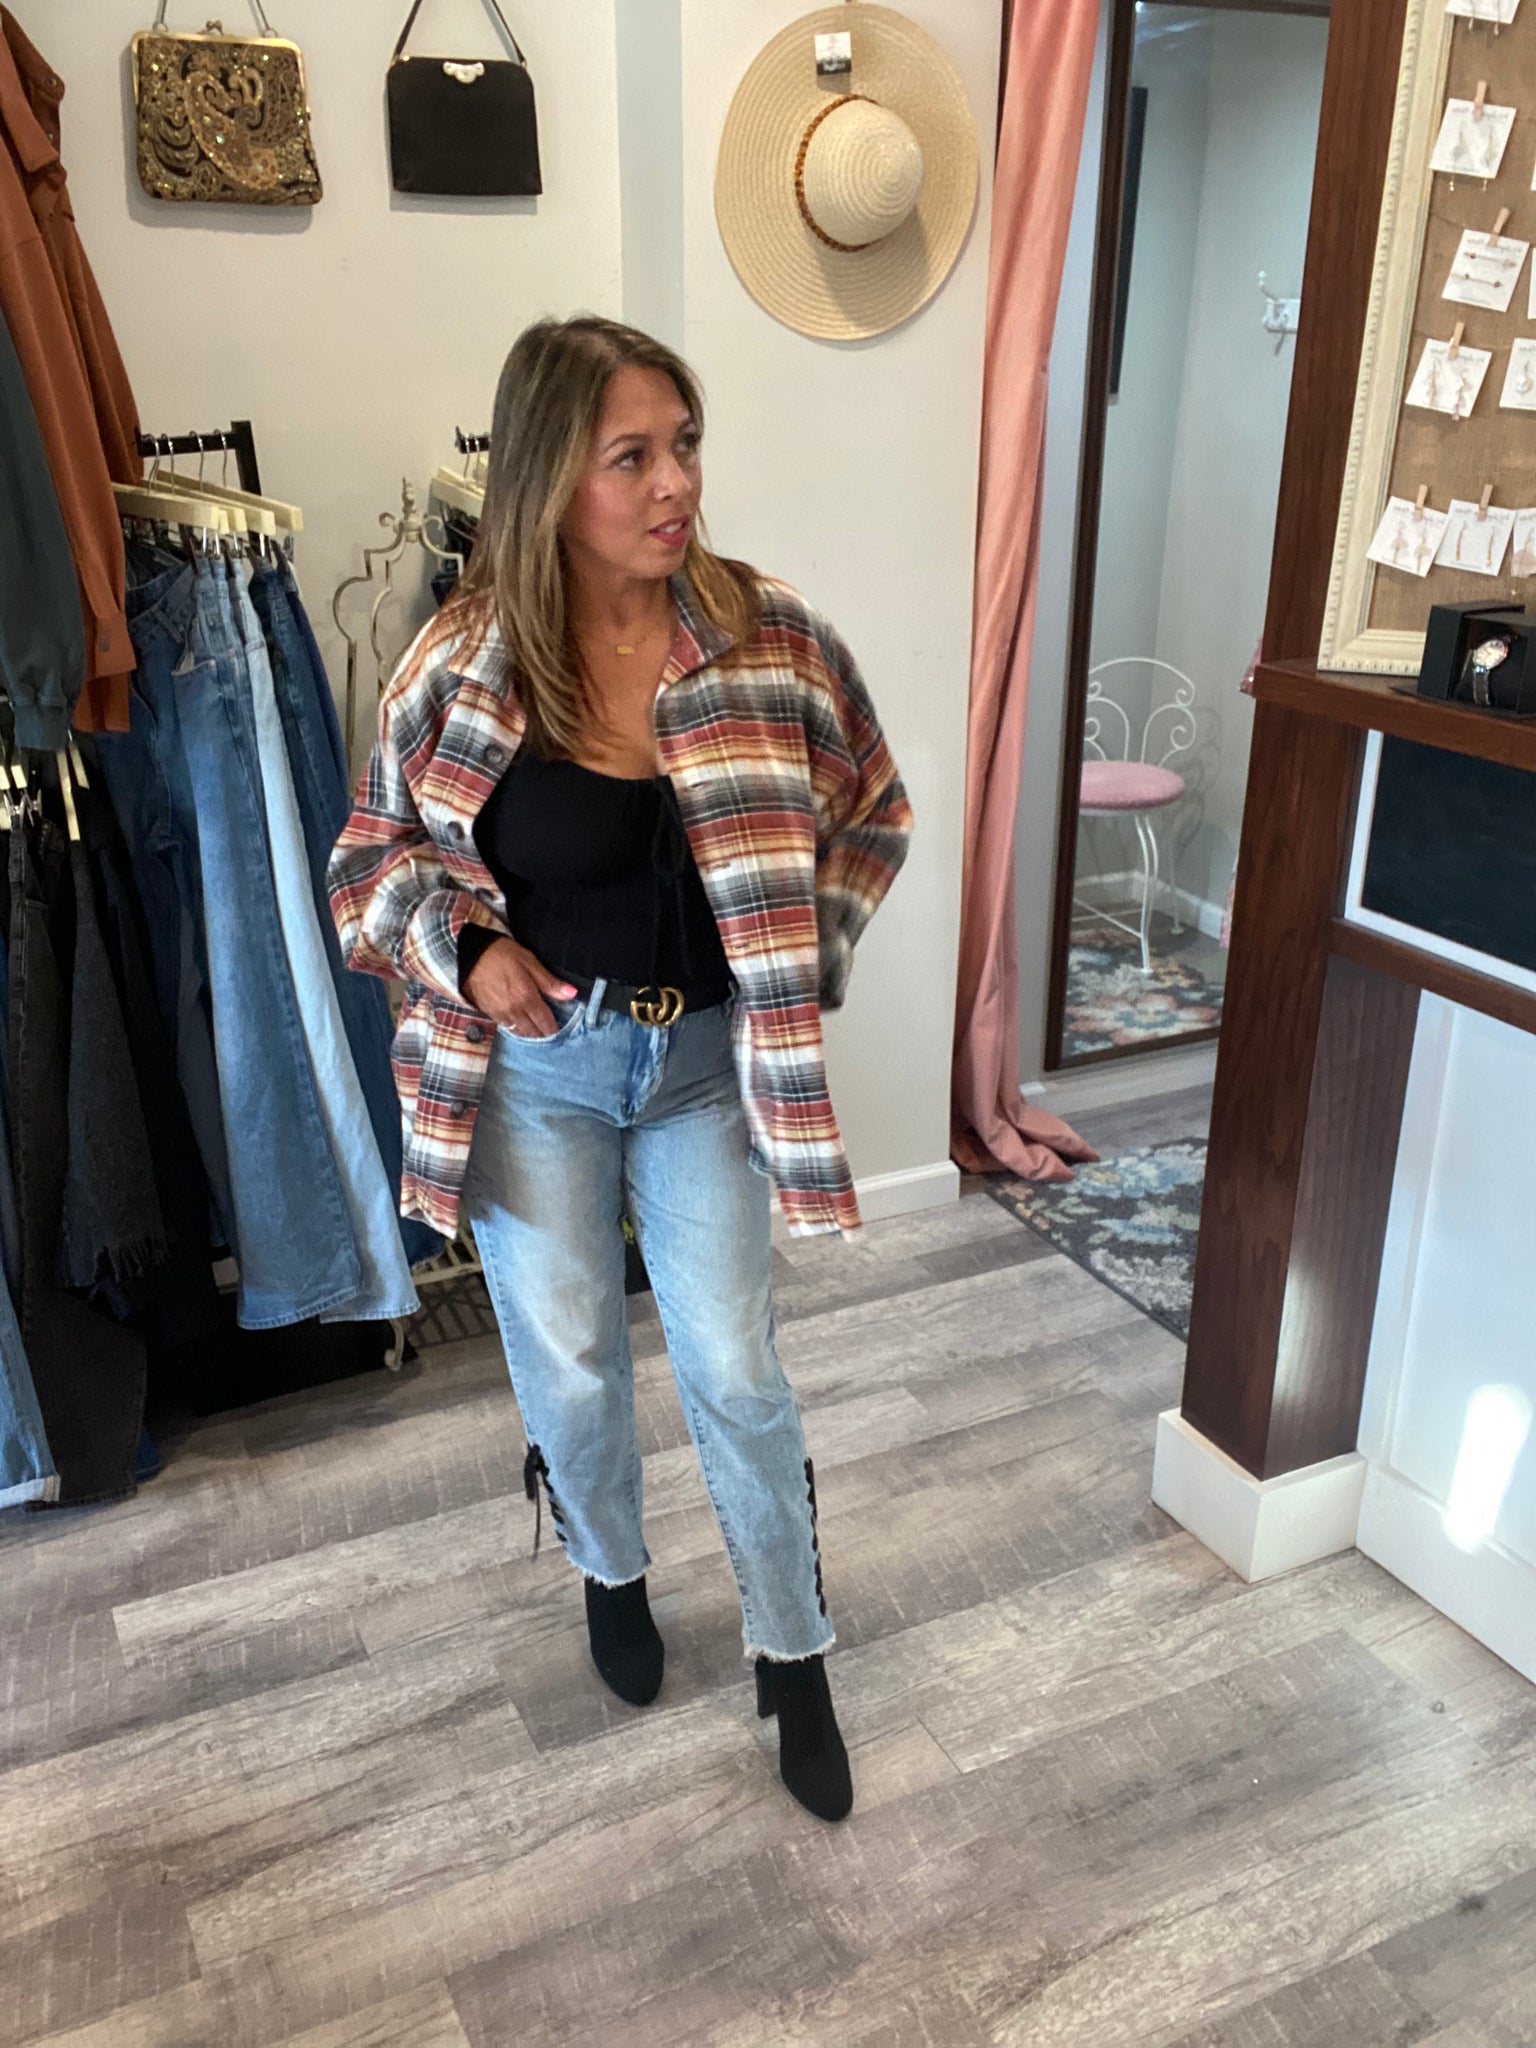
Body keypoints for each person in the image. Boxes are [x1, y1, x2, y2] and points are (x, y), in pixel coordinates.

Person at [329, 315, 912, 1824]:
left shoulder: (770, 638)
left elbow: (874, 805)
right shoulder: (464, 666)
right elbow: (368, 863)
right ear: (548, 479)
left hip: (709, 1070)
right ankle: (609, 1565)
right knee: (574, 1358)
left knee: (736, 1368)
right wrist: (468, 949)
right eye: (632, 457)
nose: (676, 486)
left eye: (686, 446)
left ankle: (794, 1651)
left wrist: (797, 960)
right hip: (540, 1077)